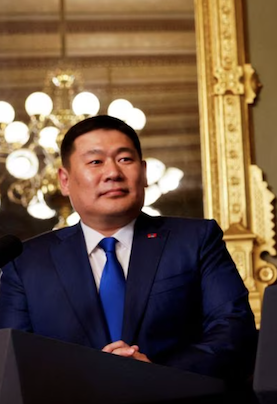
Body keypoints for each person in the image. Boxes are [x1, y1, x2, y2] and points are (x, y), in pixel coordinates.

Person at [0, 115, 258, 383]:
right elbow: (12, 359)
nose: (113, 173)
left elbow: (234, 329)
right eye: (95, 162)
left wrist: (157, 373)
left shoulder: (196, 240)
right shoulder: (25, 261)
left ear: (144, 173)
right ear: (64, 180)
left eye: (125, 159)